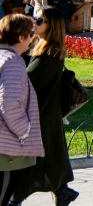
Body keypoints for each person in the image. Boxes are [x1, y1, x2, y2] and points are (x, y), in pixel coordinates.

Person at [11, 8, 75, 206]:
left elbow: (28, 80)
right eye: (34, 18)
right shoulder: (40, 46)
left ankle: (15, 199)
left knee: (28, 158)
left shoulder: (50, 52)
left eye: (40, 20)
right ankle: (62, 191)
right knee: (47, 154)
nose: (34, 22)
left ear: (51, 26)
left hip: (41, 114)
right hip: (42, 112)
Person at [0, 14, 43, 206]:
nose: (32, 38)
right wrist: (25, 130)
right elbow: (10, 103)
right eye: (30, 34)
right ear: (20, 37)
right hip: (6, 145)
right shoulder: (13, 61)